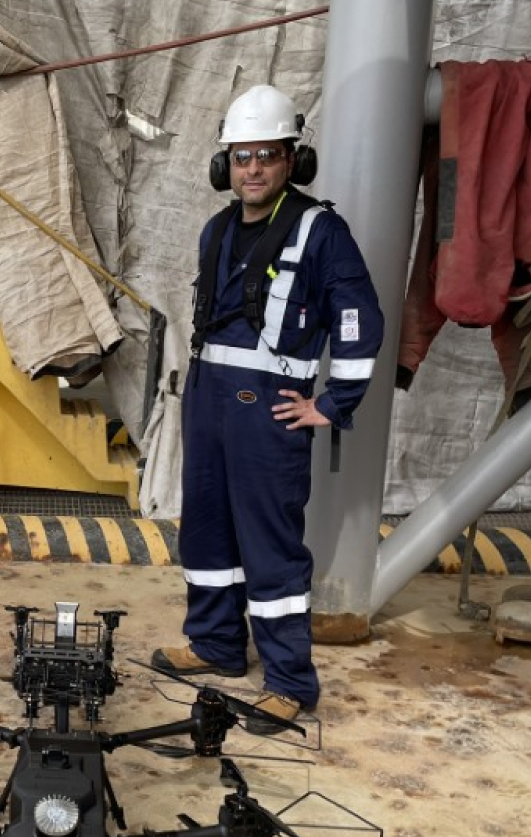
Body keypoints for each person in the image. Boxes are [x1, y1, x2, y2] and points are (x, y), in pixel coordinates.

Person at [151, 84, 383, 727]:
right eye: (242, 156)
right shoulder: (216, 229)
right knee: (206, 530)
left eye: (268, 155)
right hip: (207, 400)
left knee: (270, 545)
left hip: (266, 410)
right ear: (225, 164)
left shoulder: (320, 230)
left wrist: (334, 404)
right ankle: (217, 645)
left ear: (292, 161)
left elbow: (360, 317)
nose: (253, 169)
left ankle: (290, 682)